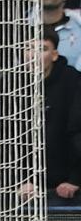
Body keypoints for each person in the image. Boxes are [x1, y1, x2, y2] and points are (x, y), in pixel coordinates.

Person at [21, 27, 81, 205]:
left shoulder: (73, 81)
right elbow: (4, 136)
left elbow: (77, 132)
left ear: (54, 55)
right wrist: (19, 180)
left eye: (42, 49)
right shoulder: (9, 85)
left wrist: (75, 179)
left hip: (68, 183)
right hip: (24, 185)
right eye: (29, 48)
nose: (34, 55)